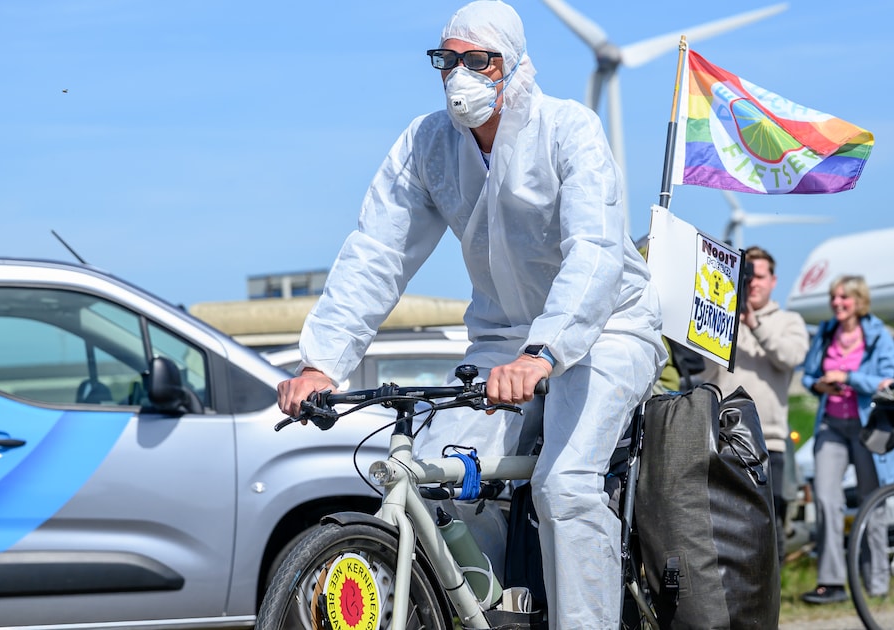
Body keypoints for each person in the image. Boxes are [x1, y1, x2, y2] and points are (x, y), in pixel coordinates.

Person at [276, 2, 666, 627]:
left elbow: (593, 254)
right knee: (444, 480)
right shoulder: (428, 144)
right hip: (501, 339)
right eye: (448, 60)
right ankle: (488, 615)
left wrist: (544, 353)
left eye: (479, 61)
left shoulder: (570, 130)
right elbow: (377, 251)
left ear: (512, 65)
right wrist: (322, 363)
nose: (461, 75)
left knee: (563, 486)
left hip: (606, 328)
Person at [691, 245, 809, 565]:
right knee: (724, 522)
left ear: (773, 280)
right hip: (721, 436)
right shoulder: (723, 322)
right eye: (746, 278)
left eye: (758, 277)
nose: (752, 284)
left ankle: (775, 603)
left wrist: (754, 323)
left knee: (768, 524)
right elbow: (701, 373)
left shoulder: (789, 321)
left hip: (767, 439)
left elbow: (790, 357)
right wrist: (721, 319)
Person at [798, 275, 894, 605]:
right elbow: (808, 375)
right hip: (831, 424)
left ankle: (877, 581)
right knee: (827, 501)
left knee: (873, 501)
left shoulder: (878, 335)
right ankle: (832, 582)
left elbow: (889, 381)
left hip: (866, 427)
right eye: (833, 298)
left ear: (859, 300)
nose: (837, 303)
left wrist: (849, 378)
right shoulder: (827, 331)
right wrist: (820, 386)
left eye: (843, 297)